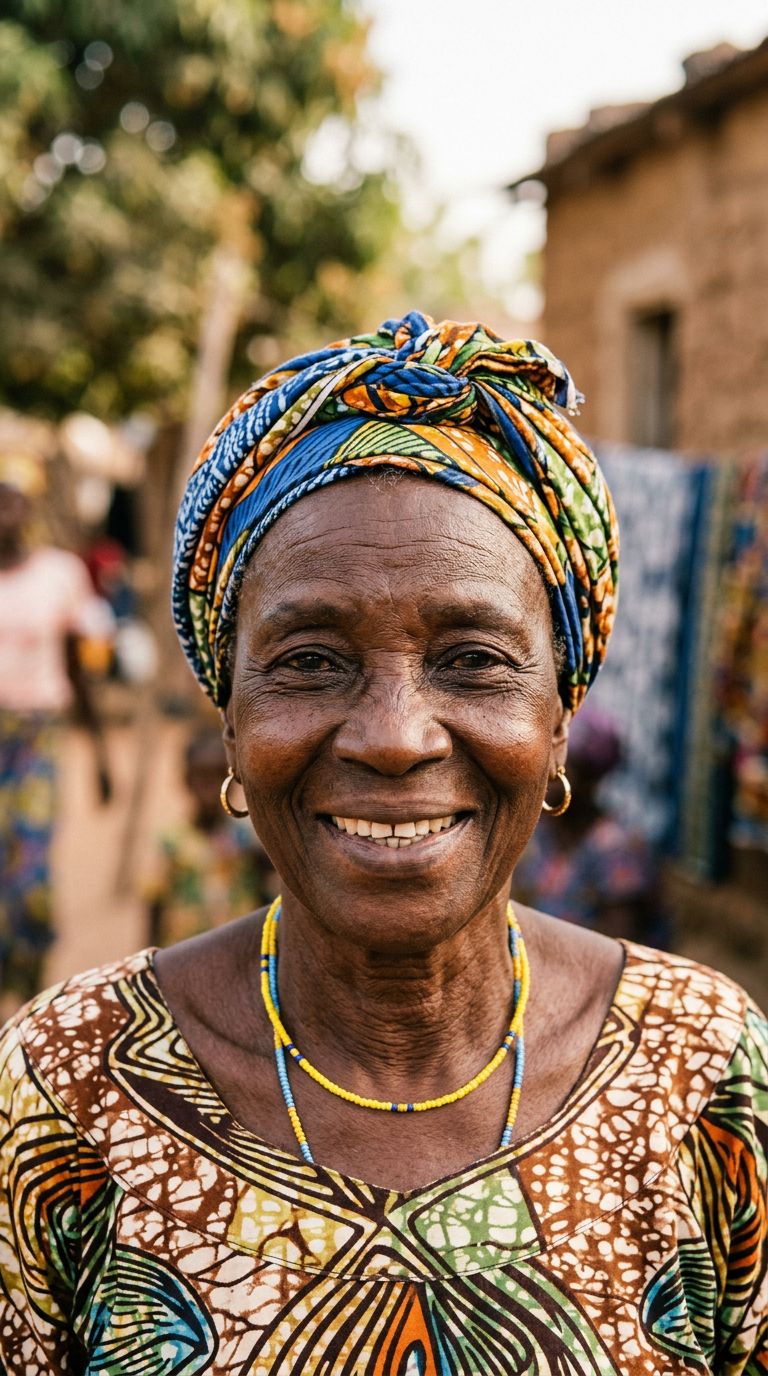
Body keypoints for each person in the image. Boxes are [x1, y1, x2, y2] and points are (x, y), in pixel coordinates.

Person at [0, 313, 765, 1374]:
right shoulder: (68, 1086)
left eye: (474, 659)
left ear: (558, 716)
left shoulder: (701, 1073)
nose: (396, 736)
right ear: (230, 719)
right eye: (310, 660)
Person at [0, 454, 112, 1010]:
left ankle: (27, 984)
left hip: (36, 737)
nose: (4, 511)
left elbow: (78, 669)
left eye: (13, 499)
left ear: (29, 509)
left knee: (30, 873)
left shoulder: (58, 575)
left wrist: (101, 759)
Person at [513, 702, 665, 944]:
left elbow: (620, 949)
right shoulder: (541, 831)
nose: (547, 772)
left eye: (562, 765)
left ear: (589, 778)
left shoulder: (615, 848)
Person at [146, 724, 278, 947]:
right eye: (202, 778)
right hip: (184, 953)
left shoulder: (248, 838)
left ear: (234, 781)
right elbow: (155, 904)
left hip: (242, 951)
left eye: (218, 776)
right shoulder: (171, 842)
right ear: (186, 780)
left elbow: (267, 894)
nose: (210, 788)